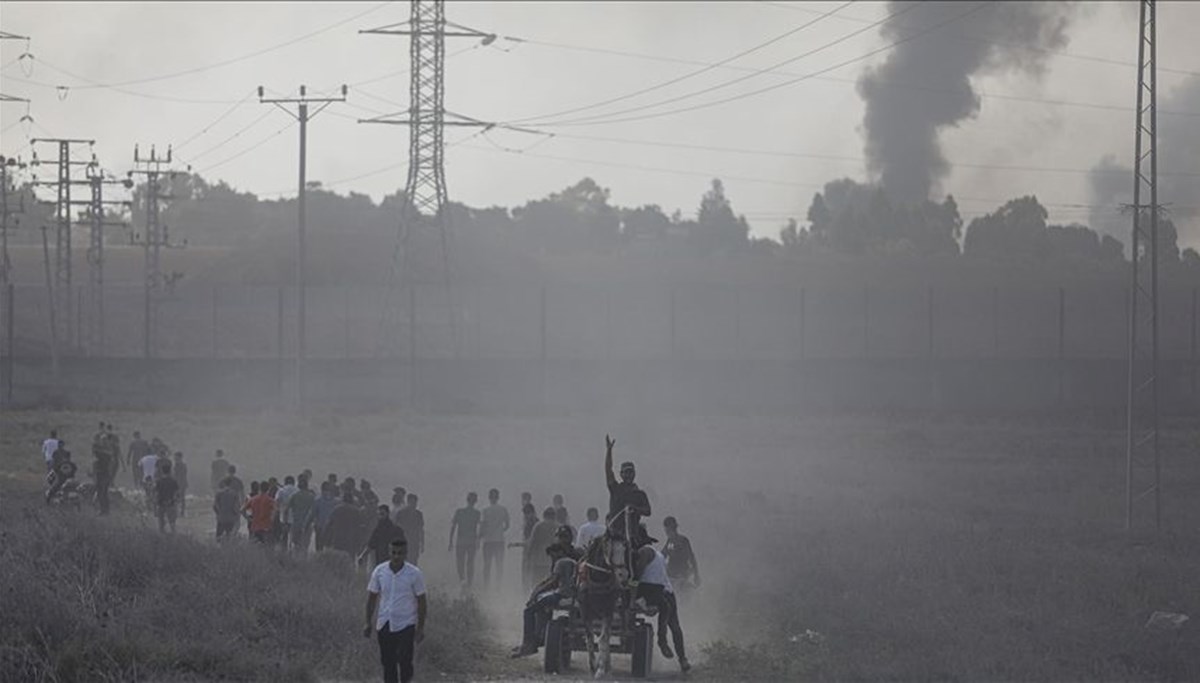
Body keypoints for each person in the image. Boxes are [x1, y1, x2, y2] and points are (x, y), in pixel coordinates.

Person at [510, 526, 582, 658]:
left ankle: (529, 644)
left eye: (563, 537)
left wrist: (537, 591)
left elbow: (554, 581)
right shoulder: (578, 554)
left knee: (529, 610)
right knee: (542, 605)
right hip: (577, 594)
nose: (561, 540)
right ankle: (539, 637)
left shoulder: (560, 559)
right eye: (560, 537)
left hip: (563, 594)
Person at [364, 538, 427, 683]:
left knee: (405, 660)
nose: (396, 556)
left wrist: (420, 627)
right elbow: (372, 598)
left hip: (406, 624)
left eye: (400, 553)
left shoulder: (414, 574)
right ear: (389, 553)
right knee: (387, 662)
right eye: (394, 553)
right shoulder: (380, 571)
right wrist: (367, 622)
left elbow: (422, 602)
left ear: (406, 554)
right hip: (384, 623)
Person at [634, 545, 689, 672]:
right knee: (670, 617)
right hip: (656, 590)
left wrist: (632, 590)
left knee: (673, 624)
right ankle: (672, 650)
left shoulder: (645, 552)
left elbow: (637, 575)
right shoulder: (655, 555)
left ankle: (679, 656)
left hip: (664, 590)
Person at [604, 435, 651, 541]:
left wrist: (635, 508)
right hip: (614, 536)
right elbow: (608, 470)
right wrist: (609, 451)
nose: (629, 475)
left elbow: (648, 511)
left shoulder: (640, 494)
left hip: (633, 537)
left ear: (634, 474)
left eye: (631, 472)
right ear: (621, 474)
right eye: (626, 472)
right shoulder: (615, 489)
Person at [448, 492, 481, 588]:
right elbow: (479, 529)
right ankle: (469, 583)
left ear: (467, 500)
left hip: (461, 541)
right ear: (475, 501)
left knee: (460, 562)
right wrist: (478, 540)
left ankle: (462, 580)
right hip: (471, 542)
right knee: (470, 563)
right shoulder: (476, 513)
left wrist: (450, 541)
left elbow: (453, 527)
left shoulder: (459, 512)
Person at [479, 488, 510, 590]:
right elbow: (507, 525)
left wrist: (480, 536)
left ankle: (486, 586)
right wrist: (501, 530)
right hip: (499, 540)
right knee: (499, 565)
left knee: (487, 565)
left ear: (489, 497)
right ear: (498, 497)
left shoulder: (485, 510)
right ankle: (498, 586)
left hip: (488, 541)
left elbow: (483, 525)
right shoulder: (503, 509)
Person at [523, 507, 559, 589]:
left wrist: (528, 556)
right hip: (553, 560)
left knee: (536, 583)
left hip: (538, 560)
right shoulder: (558, 527)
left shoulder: (538, 526)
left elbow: (532, 543)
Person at [661, 516, 700, 591]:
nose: (665, 531)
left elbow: (691, 558)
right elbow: (662, 555)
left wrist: (696, 575)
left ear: (670, 528)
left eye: (666, 528)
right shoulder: (669, 541)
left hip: (681, 575)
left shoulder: (683, 540)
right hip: (671, 576)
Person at [327, 491, 367, 557]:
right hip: (351, 540)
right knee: (350, 560)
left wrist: (326, 539)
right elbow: (360, 528)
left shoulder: (337, 509)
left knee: (337, 559)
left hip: (337, 539)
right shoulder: (356, 511)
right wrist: (360, 542)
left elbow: (329, 524)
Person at [393, 493, 425, 566]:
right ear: (408, 502)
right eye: (412, 502)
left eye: (415, 502)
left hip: (414, 542)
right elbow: (396, 528)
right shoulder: (401, 514)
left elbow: (421, 529)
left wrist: (422, 543)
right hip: (403, 541)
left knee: (414, 561)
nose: (414, 504)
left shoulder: (419, 514)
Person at [288, 476, 317, 553]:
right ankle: (303, 561)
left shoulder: (294, 495)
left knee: (295, 544)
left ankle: (295, 561)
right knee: (305, 546)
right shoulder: (312, 497)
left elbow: (287, 509)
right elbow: (314, 511)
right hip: (307, 524)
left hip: (296, 523)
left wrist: (285, 521)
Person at [92, 430, 117, 515]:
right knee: (103, 493)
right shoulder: (108, 451)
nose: (102, 442)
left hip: (102, 473)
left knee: (101, 493)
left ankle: (104, 510)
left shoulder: (102, 452)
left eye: (103, 440)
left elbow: (95, 454)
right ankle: (105, 510)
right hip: (104, 473)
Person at [313, 482, 340, 552]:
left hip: (321, 528)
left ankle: (320, 561)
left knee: (319, 549)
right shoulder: (337, 502)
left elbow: (313, 515)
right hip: (331, 529)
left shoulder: (317, 501)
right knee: (330, 548)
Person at [155, 461, 181, 534]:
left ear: (162, 471)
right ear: (170, 471)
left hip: (161, 503)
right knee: (172, 524)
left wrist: (156, 503)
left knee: (161, 524)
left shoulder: (159, 481)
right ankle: (174, 540)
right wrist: (176, 501)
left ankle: (162, 540)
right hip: (171, 503)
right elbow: (177, 493)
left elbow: (156, 493)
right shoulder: (173, 481)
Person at [275, 475, 299, 547]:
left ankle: (283, 553)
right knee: (293, 538)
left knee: (284, 537)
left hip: (283, 518)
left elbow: (277, 503)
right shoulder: (297, 490)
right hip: (295, 518)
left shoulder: (281, 490)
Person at [172, 452, 189, 517]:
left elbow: (177, 475)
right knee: (181, 498)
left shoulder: (178, 465)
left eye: (176, 457)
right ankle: (180, 511)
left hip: (179, 483)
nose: (175, 458)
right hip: (181, 483)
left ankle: (180, 511)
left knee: (179, 498)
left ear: (179, 457)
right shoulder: (183, 465)